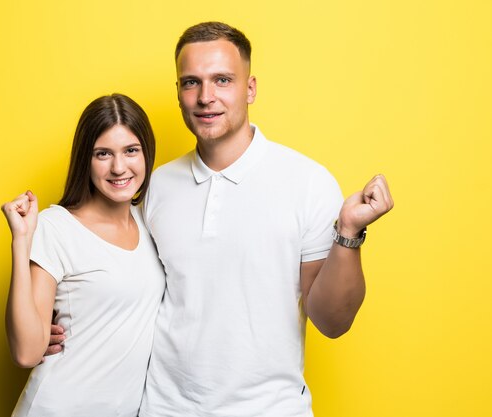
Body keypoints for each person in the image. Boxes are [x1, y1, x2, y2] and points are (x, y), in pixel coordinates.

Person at [49, 22, 394, 417]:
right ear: (178, 93)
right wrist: (55, 322)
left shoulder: (308, 182)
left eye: (222, 80)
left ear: (250, 89)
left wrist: (348, 233)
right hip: (162, 408)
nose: (205, 97)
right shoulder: (156, 185)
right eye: (191, 82)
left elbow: (332, 322)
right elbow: (127, 278)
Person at [1, 93, 165, 417]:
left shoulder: (153, 223)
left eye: (131, 150)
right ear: (84, 159)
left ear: (146, 152)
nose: (119, 167)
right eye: (103, 154)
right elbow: (27, 352)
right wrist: (22, 241)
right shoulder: (56, 227)